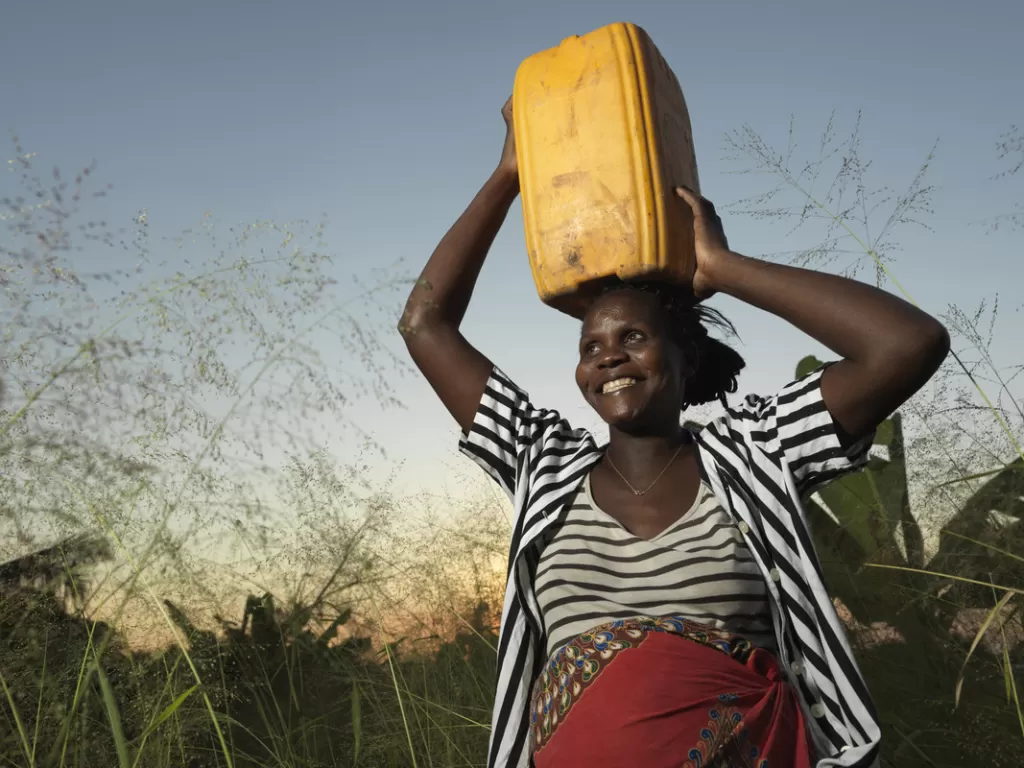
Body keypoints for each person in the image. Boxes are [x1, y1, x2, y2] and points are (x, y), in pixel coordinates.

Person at [399, 96, 949, 768]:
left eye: (633, 336)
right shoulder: (541, 462)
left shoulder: (755, 452)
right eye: (591, 344)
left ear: (686, 357)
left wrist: (723, 268)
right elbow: (425, 324)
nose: (608, 356)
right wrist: (510, 173)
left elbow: (907, 344)